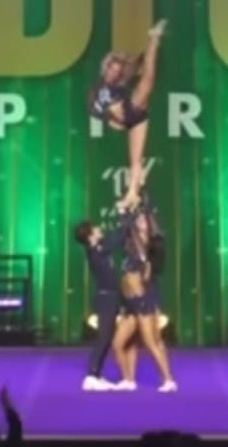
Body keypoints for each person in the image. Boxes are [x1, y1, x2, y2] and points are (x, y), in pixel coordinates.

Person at [89, 20, 167, 211]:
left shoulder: (121, 82)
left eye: (117, 70)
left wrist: (147, 50)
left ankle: (154, 38)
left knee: (147, 82)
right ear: (105, 68)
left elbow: (136, 66)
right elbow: (98, 110)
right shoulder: (99, 91)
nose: (114, 72)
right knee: (136, 160)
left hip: (134, 112)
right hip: (122, 118)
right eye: (111, 69)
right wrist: (111, 114)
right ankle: (132, 195)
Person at [112, 207, 176, 392]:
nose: (139, 221)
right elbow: (127, 227)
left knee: (151, 342)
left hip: (142, 302)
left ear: (149, 225)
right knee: (120, 343)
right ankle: (129, 380)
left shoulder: (147, 248)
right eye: (138, 219)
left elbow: (147, 276)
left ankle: (168, 380)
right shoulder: (132, 244)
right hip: (129, 304)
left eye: (143, 219)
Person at [74, 208, 133, 391]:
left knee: (106, 338)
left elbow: (117, 237)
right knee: (103, 337)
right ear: (90, 236)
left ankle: (97, 375)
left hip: (112, 297)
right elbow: (119, 237)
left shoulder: (100, 247)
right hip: (106, 298)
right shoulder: (96, 250)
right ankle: (91, 375)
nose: (100, 228)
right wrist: (125, 214)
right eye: (96, 228)